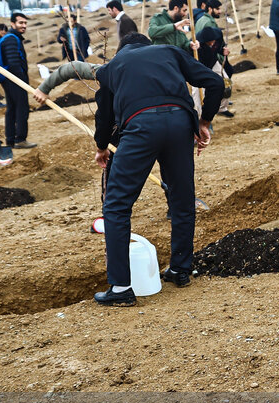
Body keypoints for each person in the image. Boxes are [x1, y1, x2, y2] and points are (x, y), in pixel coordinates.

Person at [91, 35, 224, 306]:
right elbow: (215, 81)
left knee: (116, 206)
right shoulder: (170, 52)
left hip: (140, 128)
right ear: (148, 44)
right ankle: (180, 269)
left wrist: (102, 146)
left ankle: (120, 288)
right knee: (182, 199)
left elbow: (104, 115)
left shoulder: (111, 67)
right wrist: (205, 122)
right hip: (179, 125)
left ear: (121, 50)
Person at [0, 12, 35, 149]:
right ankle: (20, 139)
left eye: (25, 23)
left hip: (10, 80)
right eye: (20, 23)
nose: (24, 25)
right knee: (21, 109)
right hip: (14, 80)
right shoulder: (11, 39)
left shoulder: (13, 38)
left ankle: (10, 140)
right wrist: (22, 82)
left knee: (12, 109)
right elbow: (13, 63)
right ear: (12, 24)